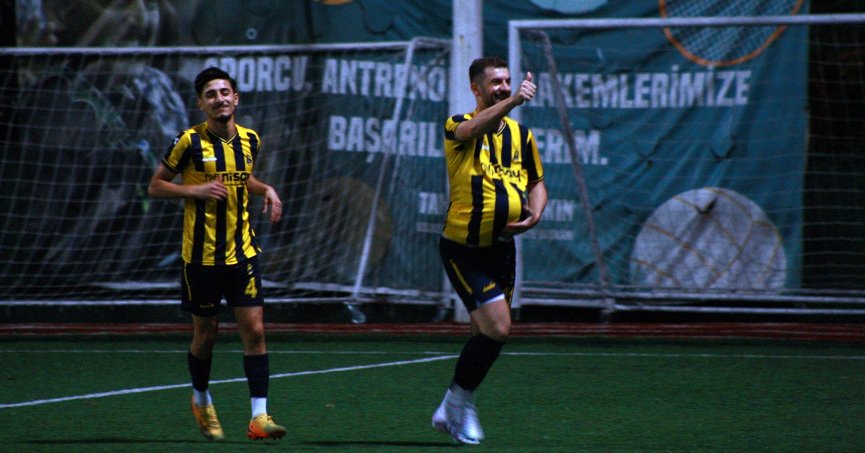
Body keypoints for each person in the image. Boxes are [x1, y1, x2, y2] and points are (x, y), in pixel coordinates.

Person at [148, 67, 286, 442]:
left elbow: (243, 178)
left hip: (243, 254)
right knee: (206, 335)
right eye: (211, 94)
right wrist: (194, 190)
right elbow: (156, 186)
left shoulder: (250, 139)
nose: (219, 99)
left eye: (225, 92)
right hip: (202, 258)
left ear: (235, 98)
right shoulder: (188, 141)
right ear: (201, 103)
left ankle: (259, 418)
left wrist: (266, 189)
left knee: (255, 331)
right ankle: (201, 399)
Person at [432, 56, 547, 445]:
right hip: (463, 248)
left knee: (485, 335)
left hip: (502, 249)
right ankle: (453, 404)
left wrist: (535, 215)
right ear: (476, 89)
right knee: (498, 328)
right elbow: (470, 130)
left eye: (507, 81)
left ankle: (460, 406)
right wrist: (514, 101)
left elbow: (537, 182)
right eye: (496, 82)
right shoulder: (457, 124)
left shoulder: (521, 136)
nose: (503, 87)